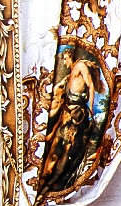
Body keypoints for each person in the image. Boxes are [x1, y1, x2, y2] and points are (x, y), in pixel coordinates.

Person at [39, 48, 101, 192]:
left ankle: (55, 181)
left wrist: (91, 108)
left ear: (71, 57)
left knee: (67, 147)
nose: (65, 62)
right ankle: (47, 177)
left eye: (66, 59)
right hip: (68, 110)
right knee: (56, 142)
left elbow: (90, 86)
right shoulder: (70, 74)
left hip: (77, 112)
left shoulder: (80, 66)